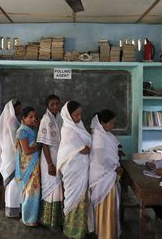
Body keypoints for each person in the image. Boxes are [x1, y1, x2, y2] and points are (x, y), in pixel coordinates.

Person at [57, 101, 92, 239]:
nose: (79, 117)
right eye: (76, 114)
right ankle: (72, 230)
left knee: (82, 198)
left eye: (80, 114)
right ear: (68, 115)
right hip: (73, 170)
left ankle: (81, 230)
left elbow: (86, 142)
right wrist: (88, 145)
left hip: (81, 168)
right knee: (73, 198)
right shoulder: (67, 129)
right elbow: (84, 149)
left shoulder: (78, 125)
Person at [88, 110, 124, 239]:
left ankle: (108, 232)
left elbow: (112, 153)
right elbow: (100, 160)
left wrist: (115, 165)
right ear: (103, 123)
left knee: (110, 207)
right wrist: (115, 168)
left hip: (108, 174)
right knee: (107, 208)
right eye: (112, 123)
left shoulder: (105, 134)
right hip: (102, 176)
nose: (113, 126)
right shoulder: (98, 137)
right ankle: (107, 234)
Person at [37, 94, 63, 230]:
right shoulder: (46, 119)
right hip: (49, 158)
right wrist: (50, 164)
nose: (55, 107)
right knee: (51, 188)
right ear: (47, 105)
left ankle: (58, 219)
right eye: (52, 104)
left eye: (57, 104)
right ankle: (50, 221)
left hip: (59, 157)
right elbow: (44, 144)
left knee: (59, 188)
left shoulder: (60, 118)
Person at [15, 106, 41, 226]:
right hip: (28, 166)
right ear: (23, 118)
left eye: (34, 117)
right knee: (30, 191)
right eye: (30, 117)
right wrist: (38, 147)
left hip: (34, 164)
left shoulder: (32, 129)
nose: (33, 119)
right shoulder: (22, 131)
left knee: (34, 191)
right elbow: (26, 151)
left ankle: (32, 217)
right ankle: (28, 219)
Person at [0, 99, 22, 217]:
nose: (19, 110)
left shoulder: (10, 120)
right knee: (12, 181)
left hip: (8, 153)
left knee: (9, 180)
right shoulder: (12, 121)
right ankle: (12, 208)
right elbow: (14, 140)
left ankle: (8, 204)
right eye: (17, 108)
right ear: (12, 108)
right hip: (12, 154)